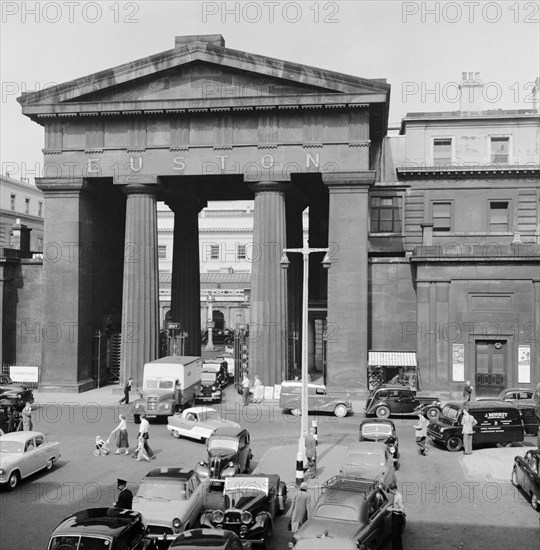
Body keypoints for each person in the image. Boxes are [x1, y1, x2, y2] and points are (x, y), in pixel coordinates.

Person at [388, 482, 405, 550]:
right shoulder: (395, 495)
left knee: (397, 537)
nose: (390, 492)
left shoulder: (399, 497)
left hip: (397, 518)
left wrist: (391, 509)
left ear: (394, 489)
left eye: (391, 491)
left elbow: (401, 510)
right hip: (394, 516)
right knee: (394, 536)